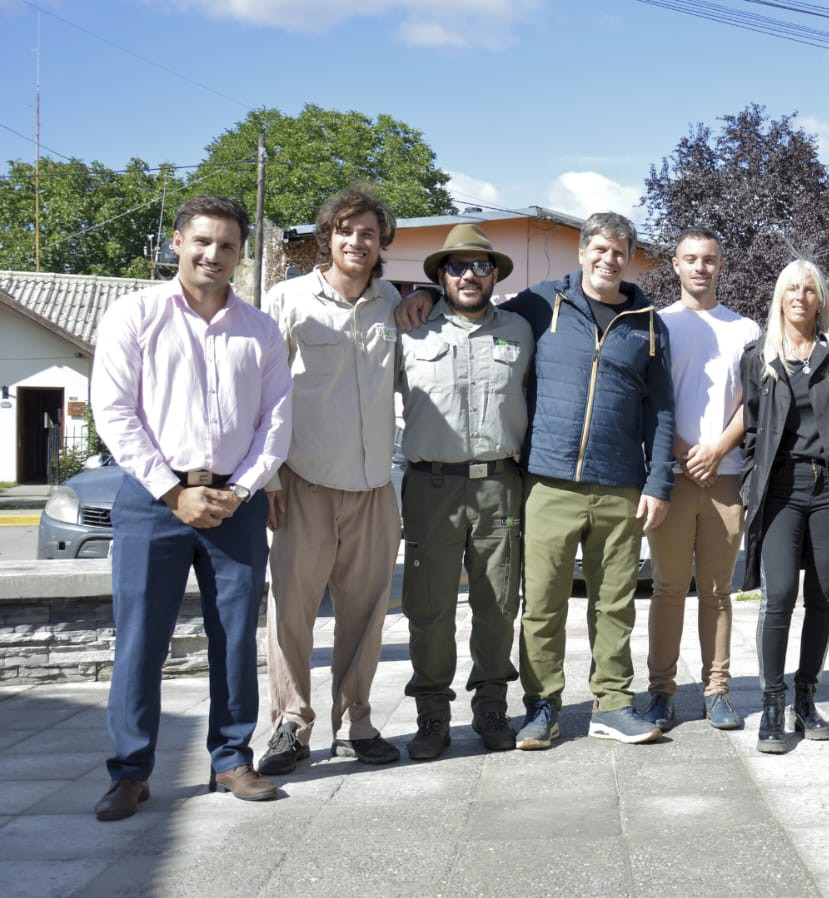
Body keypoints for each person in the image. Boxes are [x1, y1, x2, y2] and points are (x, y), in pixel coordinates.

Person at [90, 195, 291, 819]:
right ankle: (130, 771)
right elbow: (115, 413)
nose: (214, 254)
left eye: (228, 245)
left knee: (234, 640)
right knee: (141, 640)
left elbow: (277, 422)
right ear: (177, 243)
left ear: (240, 255)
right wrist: (174, 493)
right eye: (202, 241)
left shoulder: (259, 330)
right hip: (154, 500)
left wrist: (241, 489)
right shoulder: (136, 314)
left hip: (236, 502)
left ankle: (231, 760)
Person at [503, 212, 674, 749]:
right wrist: (424, 303)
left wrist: (658, 482)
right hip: (549, 481)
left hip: (621, 484)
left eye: (619, 251)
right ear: (581, 253)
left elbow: (663, 412)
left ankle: (614, 703)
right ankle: (542, 707)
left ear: (629, 258)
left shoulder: (648, 322)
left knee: (615, 602)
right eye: (599, 248)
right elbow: (481, 318)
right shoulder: (539, 303)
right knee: (544, 603)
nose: (608, 259)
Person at [259, 184, 406, 773]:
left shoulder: (393, 301)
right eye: (345, 230)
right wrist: (268, 475)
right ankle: (291, 724)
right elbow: (263, 393)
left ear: (380, 243)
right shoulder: (287, 300)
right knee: (291, 612)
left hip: (373, 486)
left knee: (367, 612)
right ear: (329, 236)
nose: (356, 241)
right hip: (303, 483)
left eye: (367, 232)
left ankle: (357, 721)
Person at [395, 225, 531, 759]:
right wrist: (417, 300)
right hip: (432, 487)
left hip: (500, 485)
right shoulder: (410, 330)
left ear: (494, 273)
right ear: (440, 275)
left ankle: (492, 708)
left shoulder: (522, 329)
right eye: (455, 267)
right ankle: (432, 716)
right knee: (428, 608)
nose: (468, 275)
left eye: (479, 265)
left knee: (497, 603)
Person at [740, 260, 829, 754]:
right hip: (780, 491)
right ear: (779, 297)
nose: (800, 296)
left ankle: (805, 698)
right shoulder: (758, 357)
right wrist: (749, 487)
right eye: (791, 288)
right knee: (778, 598)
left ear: (821, 299)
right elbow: (752, 430)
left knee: (822, 599)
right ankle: (771, 705)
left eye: (809, 289)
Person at [639, 229, 761, 732]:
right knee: (667, 588)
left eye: (709, 260)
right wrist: (688, 453)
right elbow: (649, 402)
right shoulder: (656, 325)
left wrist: (716, 450)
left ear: (721, 265)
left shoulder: (746, 329)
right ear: (675, 265)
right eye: (690, 259)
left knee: (716, 591)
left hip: (725, 476)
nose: (700, 268)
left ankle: (717, 690)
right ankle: (662, 690)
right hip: (671, 476)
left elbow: (753, 405)